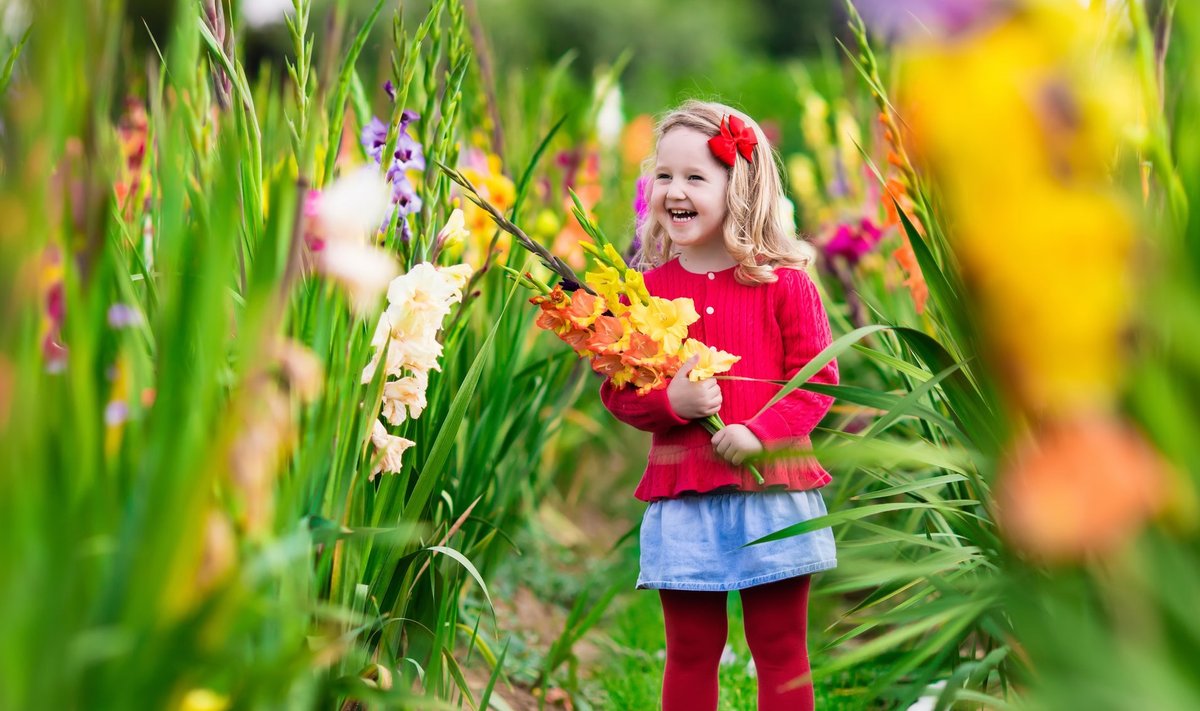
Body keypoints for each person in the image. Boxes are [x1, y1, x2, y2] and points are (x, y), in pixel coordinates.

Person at [600, 99, 839, 711]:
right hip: (684, 491)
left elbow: (818, 380)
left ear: (742, 187)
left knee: (780, 644)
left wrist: (760, 432)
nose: (674, 191)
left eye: (695, 177)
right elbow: (619, 390)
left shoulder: (784, 281)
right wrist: (672, 402)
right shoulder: (647, 294)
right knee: (690, 647)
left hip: (773, 490)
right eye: (664, 176)